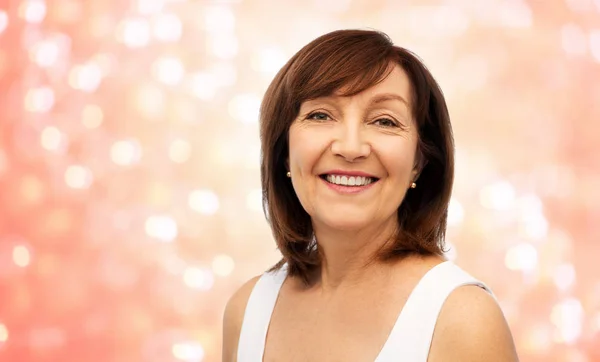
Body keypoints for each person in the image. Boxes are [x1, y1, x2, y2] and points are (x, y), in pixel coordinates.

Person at [222, 29, 519, 362]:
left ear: (419, 163)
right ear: (285, 154)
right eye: (320, 115)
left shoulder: (462, 318)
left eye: (384, 121)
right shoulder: (247, 310)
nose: (350, 148)